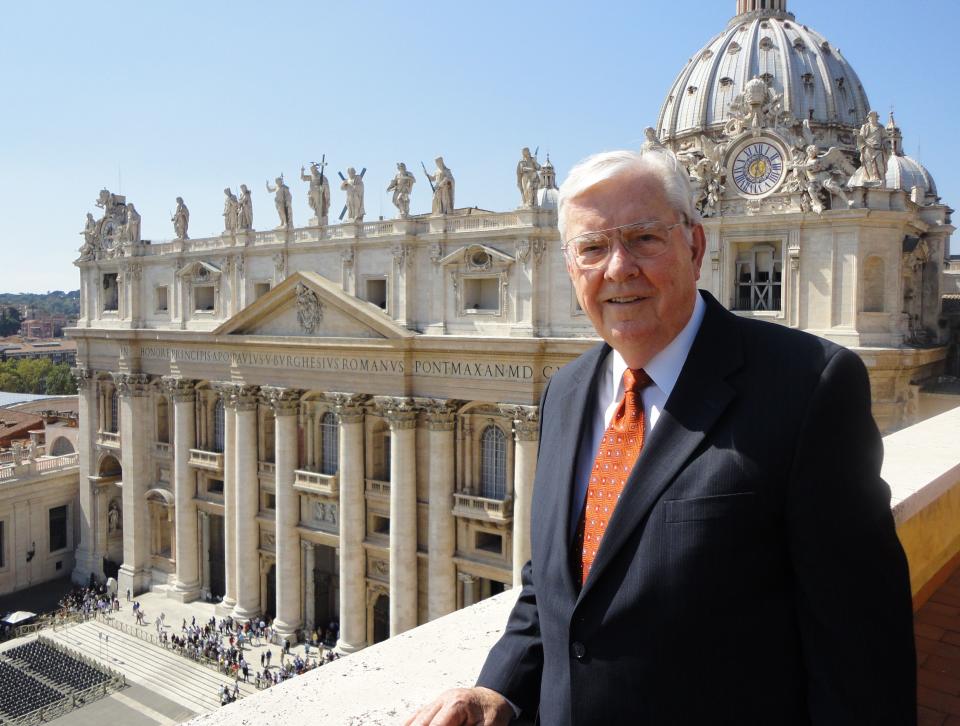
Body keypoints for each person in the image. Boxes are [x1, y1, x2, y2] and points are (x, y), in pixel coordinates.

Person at [407, 148, 916, 724]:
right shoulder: (565, 391)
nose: (618, 267)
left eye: (644, 238)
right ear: (568, 268)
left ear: (696, 246)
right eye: (593, 248)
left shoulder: (808, 387)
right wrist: (498, 689)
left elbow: (861, 650)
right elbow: (552, 588)